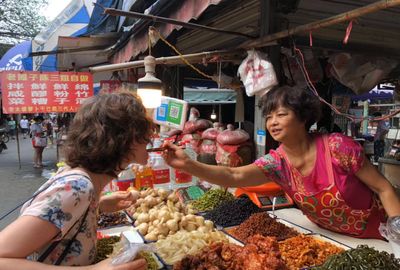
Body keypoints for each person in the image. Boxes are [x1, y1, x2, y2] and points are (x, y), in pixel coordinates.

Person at [163, 86, 400, 239]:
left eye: (281, 114)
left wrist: (397, 234)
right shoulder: (277, 163)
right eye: (269, 117)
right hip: (332, 240)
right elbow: (234, 176)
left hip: (378, 237)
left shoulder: (338, 147)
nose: (273, 122)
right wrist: (188, 165)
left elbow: (383, 188)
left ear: (303, 117)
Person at [0, 92, 152, 269]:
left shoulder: (85, 184)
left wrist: (98, 207)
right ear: (126, 138)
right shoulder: (77, 188)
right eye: (145, 131)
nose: (151, 136)